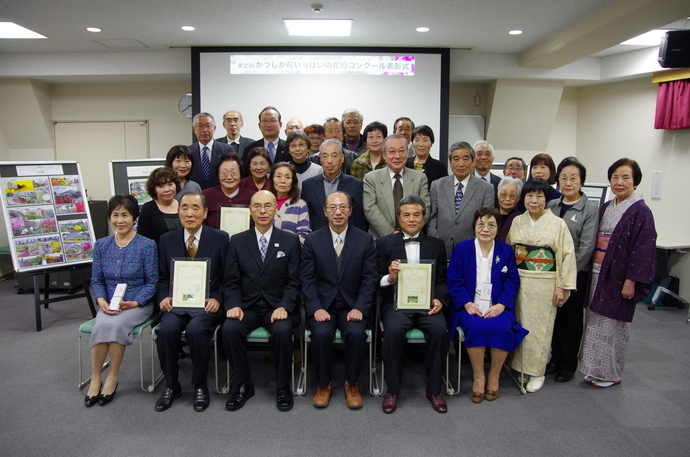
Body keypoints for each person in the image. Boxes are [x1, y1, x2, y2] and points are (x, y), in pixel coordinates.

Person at [578, 158, 656, 388]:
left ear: (635, 181)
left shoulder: (641, 212)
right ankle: (592, 369)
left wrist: (631, 280)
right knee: (594, 320)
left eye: (625, 177)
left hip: (620, 276)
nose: (619, 182)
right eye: (615, 177)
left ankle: (609, 372)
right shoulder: (606, 207)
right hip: (598, 272)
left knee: (613, 322)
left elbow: (643, 250)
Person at [222, 191, 302, 411]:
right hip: (246, 305)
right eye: (257, 206)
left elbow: (294, 282)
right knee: (229, 329)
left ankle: (283, 386)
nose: (263, 211)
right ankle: (242, 384)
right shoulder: (238, 241)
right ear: (250, 210)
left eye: (268, 206)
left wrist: (284, 306)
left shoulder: (290, 240)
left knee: (283, 331)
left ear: (275, 209)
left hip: (277, 305)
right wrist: (234, 304)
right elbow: (230, 281)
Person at [301, 191, 378, 409]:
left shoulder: (364, 240)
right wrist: (315, 307)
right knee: (321, 333)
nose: (338, 212)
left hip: (352, 306)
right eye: (333, 208)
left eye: (343, 207)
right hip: (323, 306)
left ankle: (352, 384)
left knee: (355, 333)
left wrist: (361, 308)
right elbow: (307, 279)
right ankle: (323, 385)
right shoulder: (313, 240)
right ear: (325, 212)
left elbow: (369, 278)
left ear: (351, 211)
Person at [154, 192, 230, 412]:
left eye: (195, 208)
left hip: (207, 305)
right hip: (176, 303)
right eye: (184, 208)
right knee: (166, 330)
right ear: (178, 213)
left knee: (197, 331)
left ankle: (200, 386)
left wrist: (218, 298)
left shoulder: (220, 238)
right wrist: (163, 297)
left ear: (205, 213)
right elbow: (161, 277)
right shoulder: (166, 240)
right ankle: (171, 385)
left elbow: (229, 277)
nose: (189, 213)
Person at [377, 195, 450, 414]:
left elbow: (442, 280)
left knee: (440, 331)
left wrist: (439, 299)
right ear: (398, 218)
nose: (411, 219)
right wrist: (389, 278)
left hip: (427, 304)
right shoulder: (383, 243)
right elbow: (374, 280)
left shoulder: (436, 244)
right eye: (406, 215)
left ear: (424, 218)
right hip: (396, 304)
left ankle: (434, 389)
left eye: (416, 215)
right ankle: (393, 390)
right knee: (392, 332)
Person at [447, 207, 527, 403]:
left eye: (491, 225)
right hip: (470, 306)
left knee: (502, 328)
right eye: (481, 224)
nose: (485, 229)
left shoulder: (505, 250)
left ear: (498, 228)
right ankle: (478, 377)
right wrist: (466, 303)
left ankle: (494, 376)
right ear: (474, 226)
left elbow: (512, 281)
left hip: (497, 306)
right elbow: (454, 280)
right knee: (476, 327)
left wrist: (501, 305)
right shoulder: (462, 249)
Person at [85, 195, 158, 407]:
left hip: (138, 304)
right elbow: (96, 279)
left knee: (115, 324)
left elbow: (152, 283)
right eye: (115, 215)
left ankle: (112, 377)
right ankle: (96, 377)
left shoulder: (147, 245)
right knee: (102, 323)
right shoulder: (101, 245)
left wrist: (134, 302)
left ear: (134, 217)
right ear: (109, 218)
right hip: (108, 303)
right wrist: (100, 300)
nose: (120, 220)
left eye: (125, 215)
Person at [505, 178, 577, 393]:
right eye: (529, 195)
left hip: (545, 282)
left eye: (539, 196)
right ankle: (518, 366)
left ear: (547, 199)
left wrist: (562, 286)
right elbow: (510, 251)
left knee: (540, 328)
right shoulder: (517, 221)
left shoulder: (557, 224)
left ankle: (537, 371)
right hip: (519, 280)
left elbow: (567, 256)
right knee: (518, 321)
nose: (534, 200)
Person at [544, 157, 598, 383]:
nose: (568, 183)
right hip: (549, 273)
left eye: (573, 178)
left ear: (581, 182)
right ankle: (554, 359)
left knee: (572, 320)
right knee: (554, 317)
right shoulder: (551, 206)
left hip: (575, 275)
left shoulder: (589, 209)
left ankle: (568, 364)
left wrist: (566, 274)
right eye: (563, 178)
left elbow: (586, 247)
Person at [427, 142, 495, 258]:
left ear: (472, 162)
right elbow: (431, 217)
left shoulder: (486, 188)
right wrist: (436, 240)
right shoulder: (437, 185)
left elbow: (486, 221)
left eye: (465, 159)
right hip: (442, 247)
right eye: (456, 159)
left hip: (472, 248)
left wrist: (474, 243)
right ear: (450, 163)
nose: (461, 164)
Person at [363, 134, 430, 239]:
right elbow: (370, 209)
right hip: (380, 240)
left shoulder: (420, 178)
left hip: (412, 238)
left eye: (401, 151)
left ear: (407, 153)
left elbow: (425, 208)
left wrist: (409, 232)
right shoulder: (371, 178)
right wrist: (390, 234)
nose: (397, 156)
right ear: (384, 155)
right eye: (392, 151)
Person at [301, 140, 367, 231]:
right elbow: (305, 218)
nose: (329, 161)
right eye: (324, 156)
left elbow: (359, 219)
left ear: (342, 158)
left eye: (334, 156)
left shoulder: (355, 184)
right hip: (317, 239)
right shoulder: (308, 185)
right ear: (320, 159)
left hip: (348, 238)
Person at [202, 153, 255, 230]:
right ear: (218, 175)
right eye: (224, 173)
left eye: (234, 173)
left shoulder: (252, 196)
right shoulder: (206, 195)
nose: (229, 177)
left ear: (241, 174)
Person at [188, 112, 235, 190]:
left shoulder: (227, 149)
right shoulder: (188, 151)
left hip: (219, 194)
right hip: (195, 195)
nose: (205, 130)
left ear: (214, 128)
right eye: (200, 126)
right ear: (194, 129)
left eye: (208, 126)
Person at [268, 162, 310, 244]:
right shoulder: (264, 202)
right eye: (278, 176)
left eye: (287, 177)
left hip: (291, 253)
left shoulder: (300, 205)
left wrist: (286, 249)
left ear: (293, 181)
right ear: (272, 179)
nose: (282, 181)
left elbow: (304, 234)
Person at [137, 167, 182, 244]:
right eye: (161, 186)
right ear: (153, 189)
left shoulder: (183, 205)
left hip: (182, 254)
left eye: (170, 184)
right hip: (157, 254)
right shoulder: (148, 208)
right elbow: (142, 239)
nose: (167, 189)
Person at [242, 107, 290, 175]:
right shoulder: (250, 149)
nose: (269, 125)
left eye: (273, 120)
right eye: (265, 121)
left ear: (280, 124)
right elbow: (245, 174)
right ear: (259, 125)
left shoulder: (289, 148)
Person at [495, 177, 523, 242]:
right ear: (498, 195)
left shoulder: (520, 219)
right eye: (503, 194)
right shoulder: (491, 215)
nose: (507, 199)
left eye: (512, 195)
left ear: (518, 198)